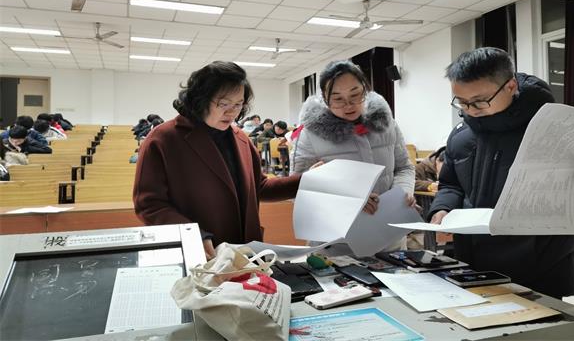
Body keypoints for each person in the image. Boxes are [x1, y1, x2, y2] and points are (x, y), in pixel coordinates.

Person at [428, 47, 574, 299]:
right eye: (462, 102)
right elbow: (451, 184)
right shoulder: (461, 135)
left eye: (479, 101)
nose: (470, 109)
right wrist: (442, 209)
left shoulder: (554, 131)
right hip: (473, 265)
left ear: (510, 86)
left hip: (539, 268)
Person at [133, 61, 303, 259]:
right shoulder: (163, 139)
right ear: (200, 99)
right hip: (200, 256)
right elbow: (149, 204)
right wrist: (193, 235)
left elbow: (260, 187)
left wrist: (309, 180)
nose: (232, 112)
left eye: (238, 104)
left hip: (246, 255)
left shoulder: (241, 139)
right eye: (224, 104)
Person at [291, 59, 416, 216]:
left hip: (389, 221)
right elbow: (296, 190)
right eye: (338, 99)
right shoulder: (310, 135)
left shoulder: (387, 124)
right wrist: (348, 199)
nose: (349, 105)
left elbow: (404, 167)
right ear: (325, 98)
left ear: (365, 89)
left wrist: (402, 192)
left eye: (355, 95)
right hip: (338, 226)